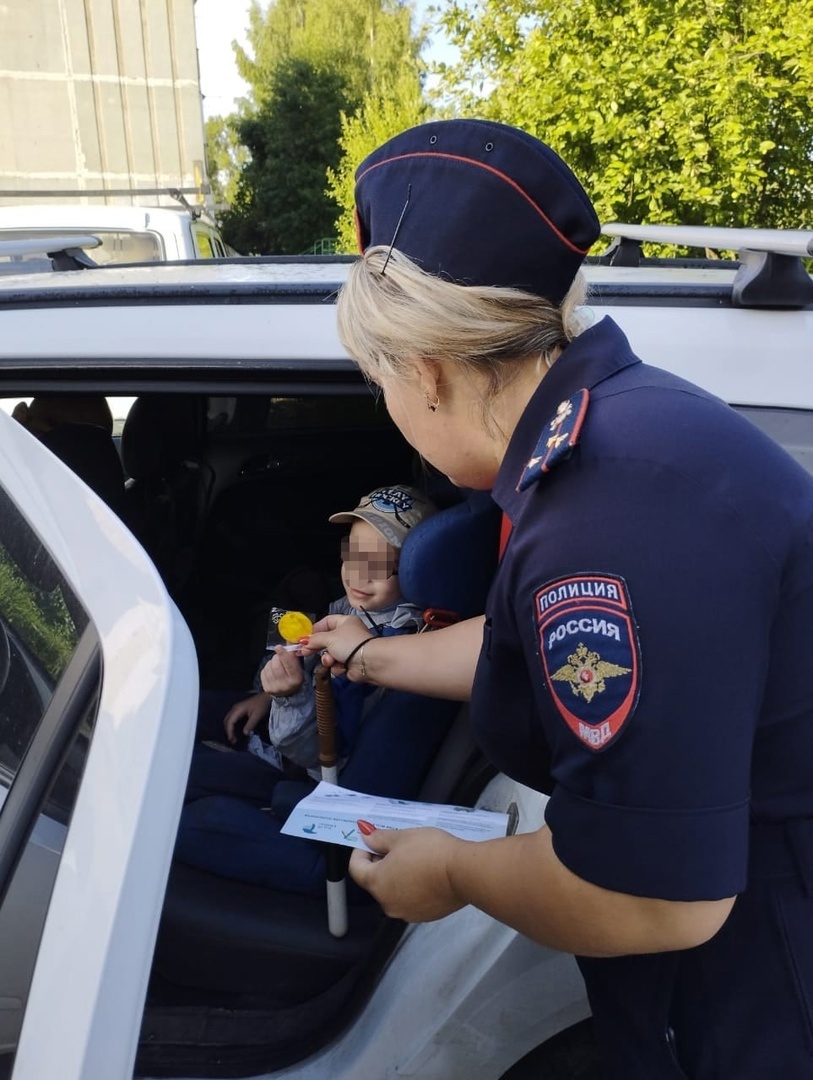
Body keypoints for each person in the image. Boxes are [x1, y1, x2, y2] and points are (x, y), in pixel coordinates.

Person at [300, 118, 813, 1078]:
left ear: (427, 372)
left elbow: (655, 898)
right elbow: (549, 644)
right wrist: (368, 651)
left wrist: (448, 872)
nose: (392, 408)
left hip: (761, 985)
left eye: (380, 382)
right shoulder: (614, 435)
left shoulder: (608, 516)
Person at [174, 483, 450, 895]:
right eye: (353, 557)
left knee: (177, 786)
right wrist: (267, 695)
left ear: (416, 571)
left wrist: (286, 697)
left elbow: (320, 749)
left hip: (302, 769)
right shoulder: (356, 608)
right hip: (282, 722)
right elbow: (299, 651)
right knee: (180, 714)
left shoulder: (390, 652)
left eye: (381, 565)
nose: (359, 575)